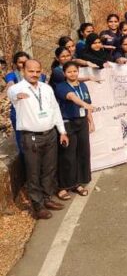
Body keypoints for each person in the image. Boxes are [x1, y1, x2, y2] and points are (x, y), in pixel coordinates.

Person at [7, 59, 69, 220]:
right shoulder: (17, 88)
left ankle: (47, 198)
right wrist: (17, 96)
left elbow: (55, 110)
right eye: (30, 71)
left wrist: (62, 131)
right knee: (33, 172)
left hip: (50, 135)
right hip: (31, 137)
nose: (34, 74)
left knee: (49, 169)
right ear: (23, 71)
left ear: (41, 71)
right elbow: (11, 94)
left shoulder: (46, 88)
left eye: (37, 71)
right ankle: (38, 206)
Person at [54, 61, 93, 201]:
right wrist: (84, 104)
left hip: (82, 122)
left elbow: (88, 104)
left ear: (78, 71)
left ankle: (78, 183)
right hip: (68, 123)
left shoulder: (83, 85)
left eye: (75, 71)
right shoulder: (61, 87)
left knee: (82, 153)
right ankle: (63, 186)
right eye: (69, 72)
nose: (72, 74)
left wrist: (91, 121)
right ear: (64, 73)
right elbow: (71, 96)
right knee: (68, 155)